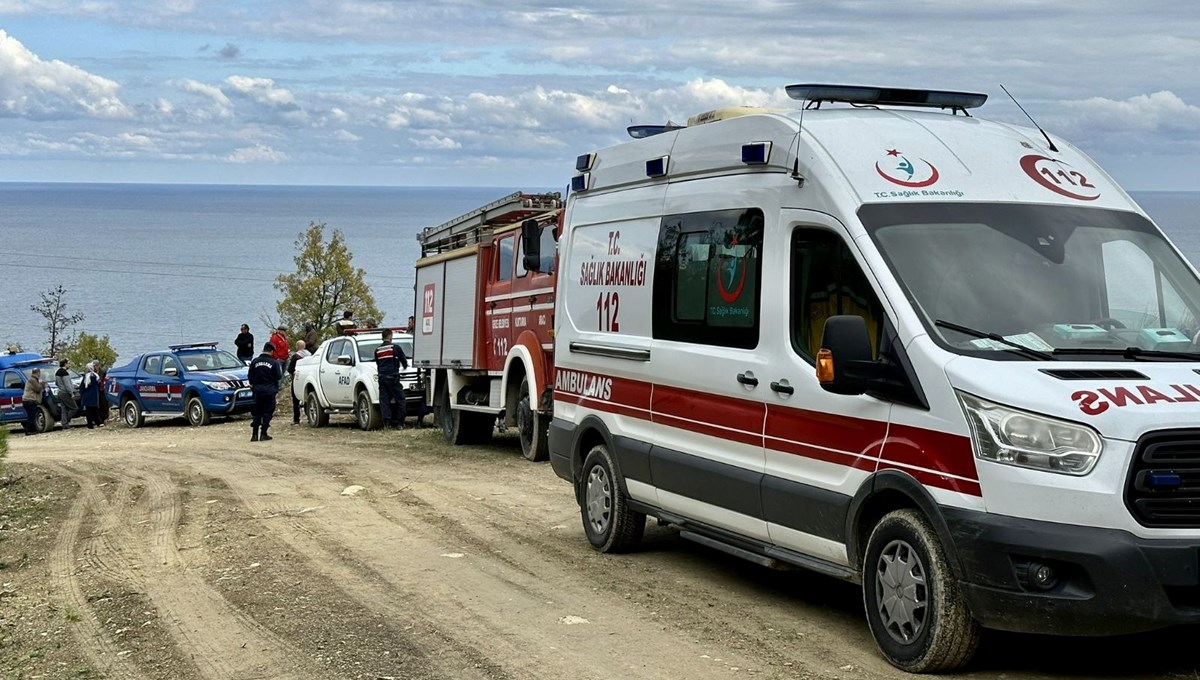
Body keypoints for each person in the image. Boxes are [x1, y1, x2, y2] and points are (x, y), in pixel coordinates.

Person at [374, 328, 409, 429]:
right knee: (401, 399)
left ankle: (386, 423)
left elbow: (378, 363)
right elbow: (403, 360)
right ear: (390, 336)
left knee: (384, 400)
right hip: (393, 378)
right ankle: (400, 423)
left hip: (382, 378)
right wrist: (405, 366)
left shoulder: (378, 350)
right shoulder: (395, 348)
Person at [248, 342, 283, 441]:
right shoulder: (274, 362)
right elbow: (279, 376)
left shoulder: (255, 361)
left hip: (258, 390)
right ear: (271, 351)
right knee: (268, 412)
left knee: (257, 412)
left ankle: (254, 435)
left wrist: (254, 385)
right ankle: (264, 433)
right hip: (269, 390)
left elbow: (250, 376)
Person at [287, 340, 311, 425]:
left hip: (297, 379)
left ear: (297, 347)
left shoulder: (296, 356)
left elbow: (290, 369)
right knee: (308, 399)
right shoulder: (310, 355)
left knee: (296, 400)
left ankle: (296, 419)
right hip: (308, 380)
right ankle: (310, 417)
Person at [55, 358, 77, 430]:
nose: (69, 365)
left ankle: (65, 425)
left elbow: (56, 383)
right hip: (65, 393)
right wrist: (71, 393)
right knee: (74, 408)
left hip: (60, 392)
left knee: (63, 409)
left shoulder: (57, 372)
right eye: (68, 363)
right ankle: (65, 421)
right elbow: (67, 384)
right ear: (65, 364)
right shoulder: (64, 373)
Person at [22, 367, 45, 435]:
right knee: (31, 416)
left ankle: (32, 429)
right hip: (29, 400)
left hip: (29, 400)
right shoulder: (32, 380)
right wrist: (41, 383)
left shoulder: (33, 379)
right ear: (38, 373)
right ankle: (29, 431)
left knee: (32, 416)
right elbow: (37, 389)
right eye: (39, 373)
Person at [80, 361, 103, 429]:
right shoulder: (96, 376)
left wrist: (82, 394)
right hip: (94, 396)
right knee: (95, 410)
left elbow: (82, 387)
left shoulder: (86, 377)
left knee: (88, 411)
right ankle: (99, 422)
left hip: (87, 396)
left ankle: (90, 424)